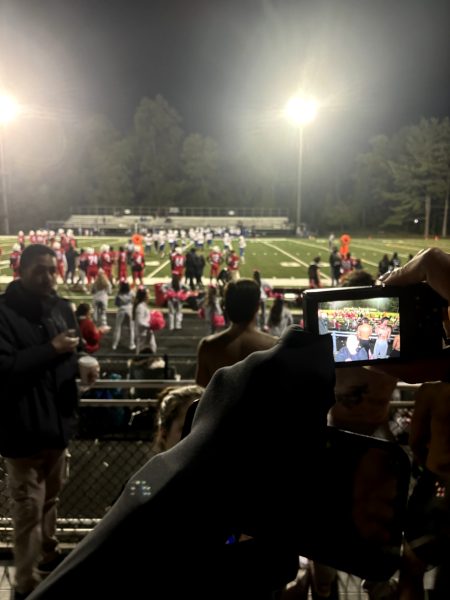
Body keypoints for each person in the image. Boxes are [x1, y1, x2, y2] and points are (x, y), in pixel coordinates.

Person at [0, 244, 98, 600]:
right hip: (21, 427)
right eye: (39, 270)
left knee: (49, 501)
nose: (48, 277)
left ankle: (47, 556)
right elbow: (5, 369)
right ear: (20, 271)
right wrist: (52, 350)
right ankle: (24, 583)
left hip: (57, 425)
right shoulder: (3, 312)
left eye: (52, 270)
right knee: (27, 507)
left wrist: (82, 363)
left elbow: (70, 351)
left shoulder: (60, 307)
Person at [195, 278, 277, 387]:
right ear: (257, 307)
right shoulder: (274, 346)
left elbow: (201, 390)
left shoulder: (208, 346)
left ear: (226, 307)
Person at [111, 281, 136, 351]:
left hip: (121, 309)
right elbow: (135, 300)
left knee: (118, 327)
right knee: (131, 328)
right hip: (130, 309)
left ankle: (114, 345)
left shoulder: (118, 293)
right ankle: (131, 344)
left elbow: (116, 304)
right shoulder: (132, 292)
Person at [132, 287, 156, 354]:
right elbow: (140, 321)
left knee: (153, 347)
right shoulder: (140, 307)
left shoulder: (143, 305)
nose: (149, 295)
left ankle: (148, 361)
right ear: (144, 296)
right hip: (142, 333)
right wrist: (150, 325)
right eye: (148, 294)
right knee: (141, 350)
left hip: (147, 331)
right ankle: (138, 363)